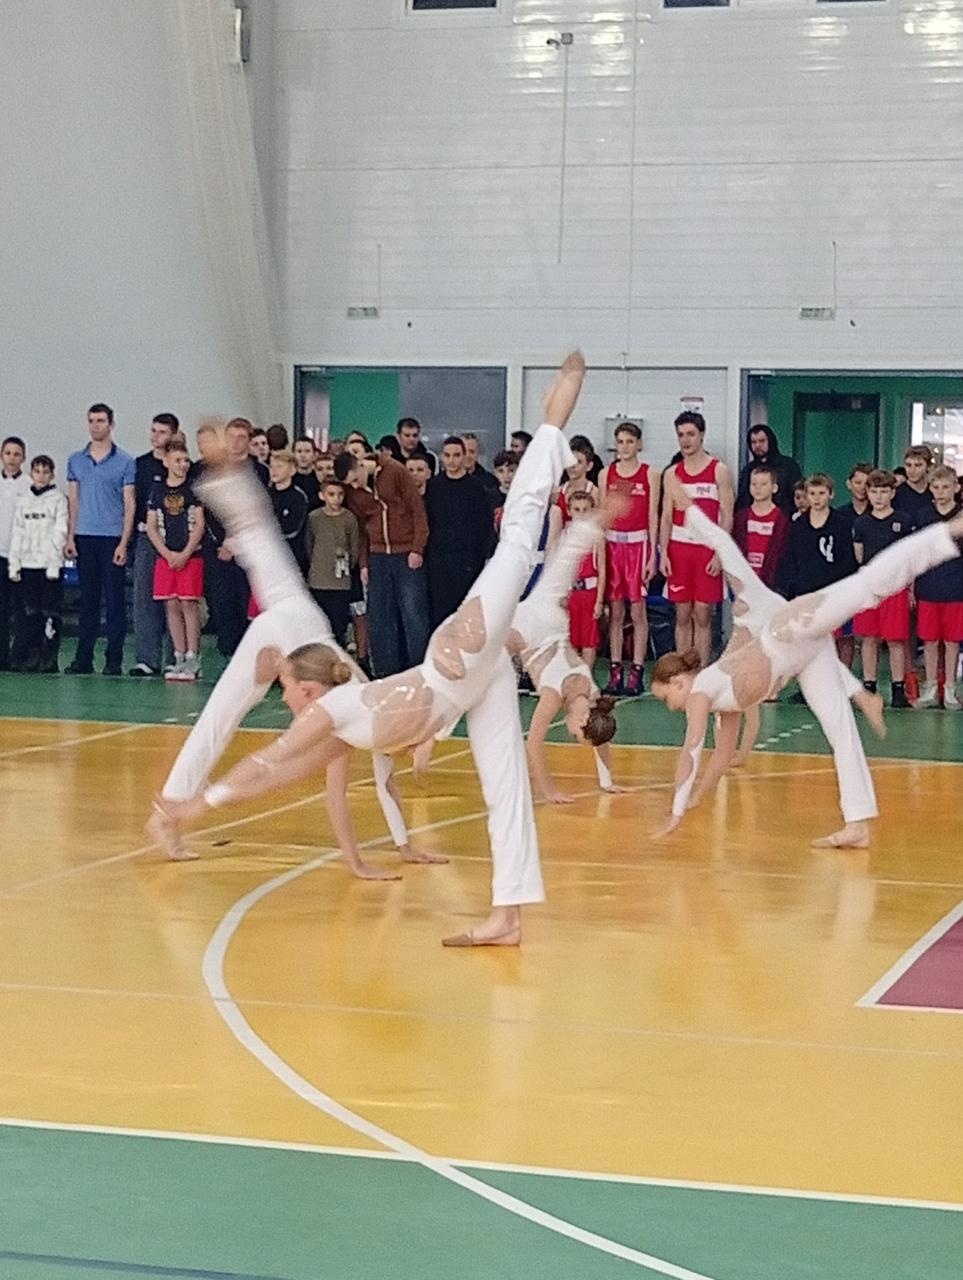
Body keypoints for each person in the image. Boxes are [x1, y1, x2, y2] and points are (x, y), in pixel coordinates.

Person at [153, 351, 588, 946]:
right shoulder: (340, 717)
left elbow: (269, 762)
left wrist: (201, 802)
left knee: (516, 540)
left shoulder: (332, 710)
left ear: (311, 687)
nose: (283, 696)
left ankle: (553, 424)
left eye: (287, 689)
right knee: (504, 781)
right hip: (467, 682)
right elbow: (290, 770)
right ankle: (507, 916)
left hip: (460, 652)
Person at [147, 439, 445, 878]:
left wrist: (401, 849)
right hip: (296, 633)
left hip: (304, 623)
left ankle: (229, 475)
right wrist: (360, 864)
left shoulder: (373, 720)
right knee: (222, 714)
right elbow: (304, 779)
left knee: (265, 550)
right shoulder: (357, 720)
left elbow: (377, 787)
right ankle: (169, 812)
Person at [650, 496, 963, 848]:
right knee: (840, 728)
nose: (669, 706)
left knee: (867, 586)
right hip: (804, 657)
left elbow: (691, 749)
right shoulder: (721, 704)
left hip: (793, 629)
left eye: (666, 697)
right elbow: (722, 756)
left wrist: (675, 811)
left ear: (678, 682)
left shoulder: (700, 692)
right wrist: (696, 797)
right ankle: (858, 823)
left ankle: (947, 532)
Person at [507, 502, 620, 803]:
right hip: (530, 630)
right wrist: (550, 792)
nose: (571, 733)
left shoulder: (594, 697)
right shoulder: (554, 695)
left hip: (553, 620)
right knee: (475, 663)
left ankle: (588, 522)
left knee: (565, 558)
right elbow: (533, 744)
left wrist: (608, 782)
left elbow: (601, 735)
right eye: (576, 735)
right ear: (581, 722)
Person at [336, 445, 429, 677]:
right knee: (380, 617)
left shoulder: (394, 470)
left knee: (413, 614)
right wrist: (364, 562)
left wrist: (417, 548)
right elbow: (362, 527)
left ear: (360, 465)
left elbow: (417, 510)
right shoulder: (355, 492)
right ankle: (385, 673)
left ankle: (419, 671)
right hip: (377, 555)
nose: (355, 487)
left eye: (355, 479)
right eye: (349, 484)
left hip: (406, 552)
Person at [659, 411, 734, 666]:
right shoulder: (672, 474)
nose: (685, 440)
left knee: (703, 613)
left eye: (690, 434)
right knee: (682, 613)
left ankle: (701, 672)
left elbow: (727, 514)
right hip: (679, 549)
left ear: (702, 435)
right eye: (681, 435)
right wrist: (663, 553)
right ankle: (682, 671)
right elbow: (666, 516)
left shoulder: (719, 471)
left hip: (706, 550)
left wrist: (720, 553)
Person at [65, 404, 136, 676]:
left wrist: (123, 542)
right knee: (88, 601)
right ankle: (83, 658)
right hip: (85, 537)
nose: (95, 426)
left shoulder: (125, 461)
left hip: (111, 538)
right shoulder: (76, 460)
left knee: (115, 601)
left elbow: (129, 504)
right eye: (92, 421)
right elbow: (74, 500)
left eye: (101, 421)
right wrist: (70, 537)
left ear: (111, 424)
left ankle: (114, 660)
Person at [598, 421, 659, 697]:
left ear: (639, 444)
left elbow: (653, 515)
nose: (624, 447)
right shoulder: (606, 474)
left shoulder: (650, 474)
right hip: (612, 546)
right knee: (615, 612)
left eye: (630, 441)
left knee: (637, 611)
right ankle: (615, 672)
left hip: (638, 545)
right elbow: (602, 515)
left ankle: (636, 671)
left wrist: (653, 555)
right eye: (620, 442)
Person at [200, 417, 266, 658]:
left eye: (242, 437)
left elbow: (258, 510)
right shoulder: (214, 471)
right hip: (219, 549)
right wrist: (223, 542)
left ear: (249, 441)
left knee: (246, 602)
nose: (236, 442)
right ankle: (228, 653)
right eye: (232, 437)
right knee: (223, 603)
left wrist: (236, 541)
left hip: (249, 549)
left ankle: (250, 654)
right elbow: (208, 511)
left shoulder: (260, 472)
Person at [777, 473, 859, 669]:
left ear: (831, 494)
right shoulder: (798, 526)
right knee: (810, 638)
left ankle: (842, 676)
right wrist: (792, 588)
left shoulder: (842, 523)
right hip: (807, 592)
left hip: (836, 590)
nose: (816, 498)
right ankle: (813, 677)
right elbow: (791, 558)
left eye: (821, 493)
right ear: (806, 495)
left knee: (843, 637)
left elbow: (848, 558)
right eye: (812, 493)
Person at [146, 436, 206, 682]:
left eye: (186, 460)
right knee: (171, 604)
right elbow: (151, 526)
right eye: (178, 460)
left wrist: (185, 553)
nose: (183, 465)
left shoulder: (193, 489)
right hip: (166, 557)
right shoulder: (158, 489)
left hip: (191, 555)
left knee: (188, 604)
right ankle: (179, 655)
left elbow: (199, 524)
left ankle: (193, 656)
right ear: (167, 462)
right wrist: (167, 553)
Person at [853, 470, 913, 707]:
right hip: (870, 587)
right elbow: (860, 556)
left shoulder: (903, 521)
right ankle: (869, 686)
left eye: (884, 491)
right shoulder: (861, 523)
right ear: (867, 493)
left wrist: (909, 587)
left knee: (895, 639)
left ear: (892, 493)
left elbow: (909, 557)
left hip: (895, 587)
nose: (878, 496)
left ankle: (898, 689)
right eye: (874, 491)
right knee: (869, 638)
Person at [424, 435, 493, 628]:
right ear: (441, 457)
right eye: (447, 455)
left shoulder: (476, 487)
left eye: (456, 455)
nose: (451, 460)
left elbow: (484, 523)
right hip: (438, 559)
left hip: (467, 559)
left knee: (465, 608)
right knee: (439, 610)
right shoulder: (433, 487)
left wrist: (481, 555)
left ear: (464, 456)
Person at [7, 454, 68, 673]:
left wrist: (54, 563)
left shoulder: (59, 499)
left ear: (52, 475)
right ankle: (30, 656)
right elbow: (17, 532)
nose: (41, 476)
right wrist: (14, 564)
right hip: (27, 566)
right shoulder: (24, 500)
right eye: (37, 471)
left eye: (45, 472)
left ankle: (49, 658)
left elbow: (60, 531)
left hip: (50, 567)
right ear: (31, 473)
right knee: (29, 614)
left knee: (51, 614)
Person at [130, 413, 178, 676]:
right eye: (153, 430)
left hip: (175, 540)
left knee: (174, 599)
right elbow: (133, 503)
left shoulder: (181, 465)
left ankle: (176, 657)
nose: (156, 436)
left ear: (173, 434)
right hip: (147, 538)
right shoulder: (140, 465)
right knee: (144, 597)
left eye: (162, 431)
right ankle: (147, 659)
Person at [912, 465, 962, 709]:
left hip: (956, 586)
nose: (940, 492)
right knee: (930, 640)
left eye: (945, 487)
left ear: (956, 487)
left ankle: (950, 688)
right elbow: (915, 553)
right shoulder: (922, 516)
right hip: (928, 585)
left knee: (952, 641)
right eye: (936, 487)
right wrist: (912, 586)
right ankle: (931, 687)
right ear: (930, 488)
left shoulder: (961, 517)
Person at [305, 479, 361, 648]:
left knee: (339, 623)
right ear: (322, 496)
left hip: (340, 580)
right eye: (331, 494)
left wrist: (348, 566)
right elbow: (309, 545)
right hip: (318, 579)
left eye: (340, 494)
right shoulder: (314, 518)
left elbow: (354, 546)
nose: (336, 498)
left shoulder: (349, 518)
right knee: (319, 622)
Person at [566, 490, 605, 672]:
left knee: (588, 639)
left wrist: (599, 601)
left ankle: (586, 676)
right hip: (571, 595)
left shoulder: (597, 538)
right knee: (571, 637)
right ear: (569, 511)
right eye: (577, 509)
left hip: (589, 594)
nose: (581, 514)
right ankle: (572, 675)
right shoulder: (564, 537)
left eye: (585, 510)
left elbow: (602, 571)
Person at [732, 464, 790, 589]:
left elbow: (782, 553)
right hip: (744, 582)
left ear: (774, 488)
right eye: (754, 484)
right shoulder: (740, 517)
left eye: (763, 484)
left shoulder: (782, 520)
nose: (758, 488)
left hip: (771, 583)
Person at [0, 435, 30, 670]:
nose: (12, 458)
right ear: (2, 456)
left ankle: (19, 656)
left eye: (16, 454)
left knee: (20, 609)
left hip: (21, 557)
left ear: (23, 458)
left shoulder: (29, 486)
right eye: (8, 453)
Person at [735, 425, 802, 517]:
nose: (757, 445)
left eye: (762, 441)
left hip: (785, 519)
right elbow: (743, 502)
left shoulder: (789, 466)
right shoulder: (748, 470)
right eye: (753, 442)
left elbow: (798, 495)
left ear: (770, 441)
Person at [268, 448, 310, 575]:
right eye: (271, 466)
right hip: (267, 558)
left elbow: (291, 529)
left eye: (279, 466)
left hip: (291, 559)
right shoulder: (264, 495)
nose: (274, 470)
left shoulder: (298, 497)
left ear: (292, 470)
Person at [894, 446, 935, 517]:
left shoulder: (936, 493)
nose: (912, 470)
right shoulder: (896, 494)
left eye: (918, 465)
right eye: (908, 465)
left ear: (928, 467)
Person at [461, 432, 499, 498]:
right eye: (464, 451)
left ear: (478, 453)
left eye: (472, 452)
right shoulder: (445, 480)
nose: (467, 456)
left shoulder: (490, 482)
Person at [292, 436, 321, 510]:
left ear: (314, 455)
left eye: (307, 451)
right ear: (293, 454)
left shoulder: (320, 480)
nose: (303, 455)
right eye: (299, 451)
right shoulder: (288, 479)